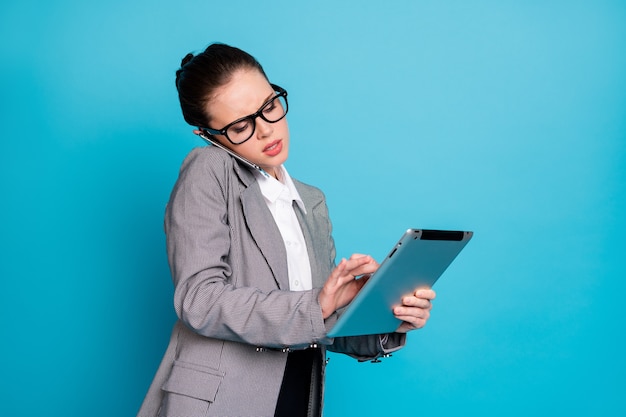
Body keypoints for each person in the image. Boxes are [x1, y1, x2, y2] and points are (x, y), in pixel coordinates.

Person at [138, 43, 436, 417]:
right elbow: (199, 299)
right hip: (222, 402)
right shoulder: (208, 168)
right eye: (241, 126)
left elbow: (315, 324)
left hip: (297, 394)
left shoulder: (310, 200)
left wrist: (385, 319)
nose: (266, 131)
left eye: (269, 107)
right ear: (208, 134)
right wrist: (318, 303)